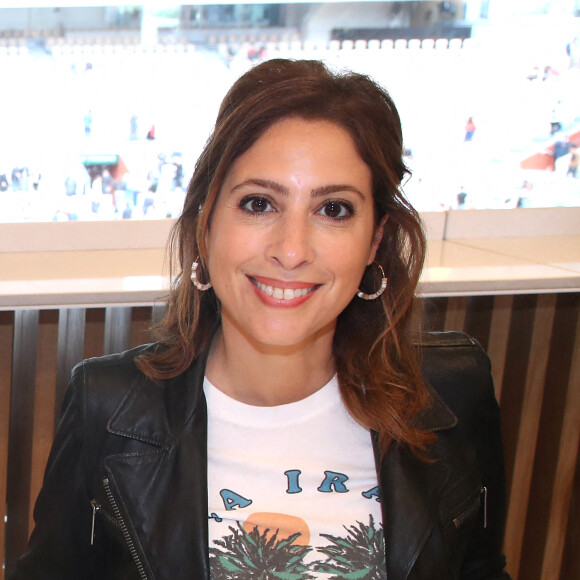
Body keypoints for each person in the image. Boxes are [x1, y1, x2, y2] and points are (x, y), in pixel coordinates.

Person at [9, 59, 510, 579]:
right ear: (206, 224)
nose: (291, 251)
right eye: (259, 203)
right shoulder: (109, 411)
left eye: (333, 209)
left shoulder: (453, 395)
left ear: (375, 241)